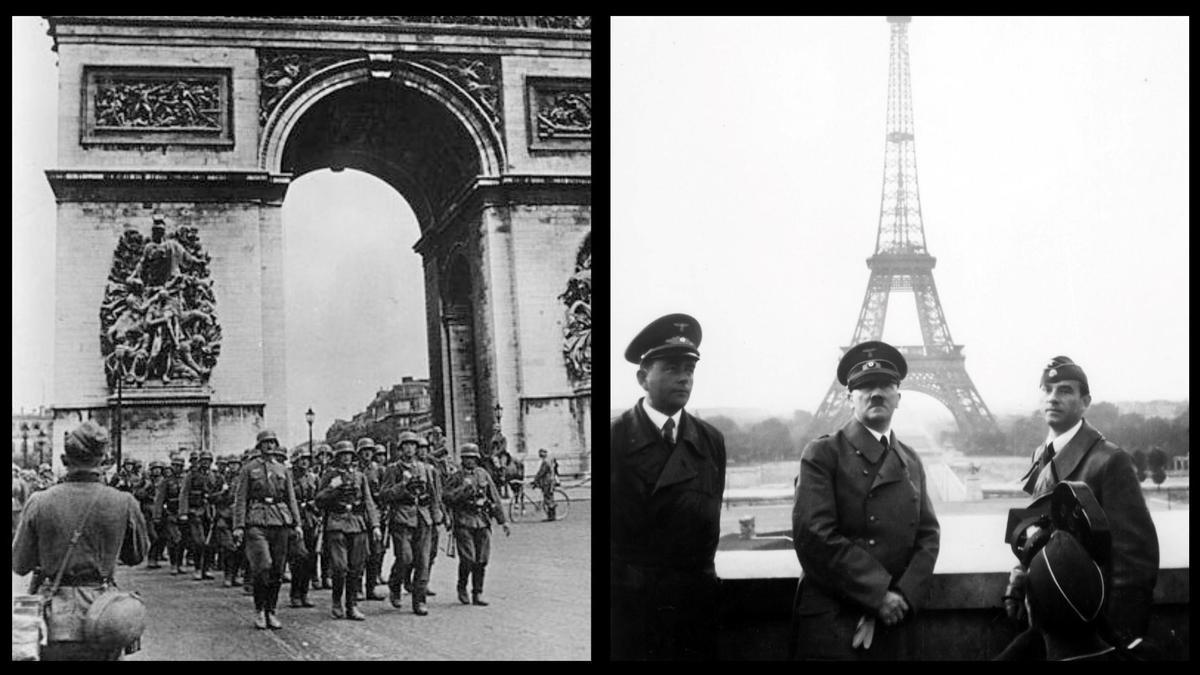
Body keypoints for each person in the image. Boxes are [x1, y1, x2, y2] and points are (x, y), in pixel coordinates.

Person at [790, 340, 940, 660]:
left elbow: (928, 536)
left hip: (895, 618)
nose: (876, 393)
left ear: (898, 397)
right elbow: (814, 535)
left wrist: (902, 595)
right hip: (836, 619)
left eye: (885, 384)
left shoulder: (911, 460)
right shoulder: (822, 454)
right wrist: (877, 593)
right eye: (865, 385)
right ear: (849, 397)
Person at [1007, 356, 1159, 648]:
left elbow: (1135, 562)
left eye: (1064, 390)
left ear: (1085, 401)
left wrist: (1116, 640)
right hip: (1048, 625)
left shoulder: (1110, 461)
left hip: (1090, 636)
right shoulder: (1043, 455)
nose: (1053, 398)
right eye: (1047, 389)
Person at [610, 313, 725, 660]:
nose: (684, 379)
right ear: (644, 377)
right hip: (635, 611)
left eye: (689, 370)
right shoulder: (614, 440)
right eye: (672, 368)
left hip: (695, 609)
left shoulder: (711, 440)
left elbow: (709, 522)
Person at [12, 420, 149, 660]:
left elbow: (20, 564)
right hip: (107, 617)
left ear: (65, 460)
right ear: (103, 461)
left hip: (54, 620)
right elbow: (136, 555)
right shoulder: (124, 502)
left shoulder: (39, 501)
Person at [232, 430, 303, 629]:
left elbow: (291, 498)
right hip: (256, 521)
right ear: (259, 446)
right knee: (263, 566)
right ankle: (259, 610)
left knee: (278, 570)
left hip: (280, 521)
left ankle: (271, 610)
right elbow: (241, 499)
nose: (270, 446)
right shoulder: (249, 469)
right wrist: (238, 526)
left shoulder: (283, 470)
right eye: (266, 443)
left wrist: (297, 523)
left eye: (273, 442)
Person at [316, 440, 381, 621]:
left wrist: (375, 525)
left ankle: (351, 605)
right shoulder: (331, 475)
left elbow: (368, 502)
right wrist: (333, 489)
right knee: (339, 567)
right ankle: (337, 601)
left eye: (349, 455)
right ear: (337, 457)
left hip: (357, 523)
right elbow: (319, 499)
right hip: (336, 523)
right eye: (342, 455)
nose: (346, 458)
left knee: (356, 567)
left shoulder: (360, 476)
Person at [380, 430, 442, 615]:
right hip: (401, 517)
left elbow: (433, 494)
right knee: (405, 558)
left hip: (423, 516)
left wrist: (436, 514)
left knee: (423, 560)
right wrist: (402, 486)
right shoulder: (393, 469)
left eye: (413, 445)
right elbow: (384, 494)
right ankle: (395, 584)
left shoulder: (426, 468)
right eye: (406, 445)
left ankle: (419, 601)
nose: (410, 448)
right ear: (400, 449)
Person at [444, 443, 510, 606]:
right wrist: (463, 489)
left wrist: (503, 521)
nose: (470, 461)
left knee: (482, 559)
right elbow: (447, 497)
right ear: (462, 460)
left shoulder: (483, 475)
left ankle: (477, 592)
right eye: (466, 458)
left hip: (482, 520)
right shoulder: (456, 476)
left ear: (477, 459)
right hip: (464, 520)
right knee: (468, 559)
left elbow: (494, 497)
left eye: (472, 458)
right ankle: (462, 587)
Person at [179, 450, 223, 581]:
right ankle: (198, 568)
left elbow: (219, 493)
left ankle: (207, 568)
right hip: (195, 511)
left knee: (211, 543)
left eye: (208, 461)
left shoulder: (216, 476)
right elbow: (184, 493)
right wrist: (183, 512)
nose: (205, 463)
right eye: (203, 460)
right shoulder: (191, 475)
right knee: (199, 542)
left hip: (210, 512)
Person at [288, 447, 320, 608]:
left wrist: (314, 506)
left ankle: (304, 593)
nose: (305, 462)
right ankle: (295, 593)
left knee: (310, 558)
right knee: (299, 557)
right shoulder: (288, 477)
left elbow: (319, 497)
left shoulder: (313, 478)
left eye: (307, 459)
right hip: (294, 521)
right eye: (302, 459)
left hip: (310, 520)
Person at [357, 437, 386, 601]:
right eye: (363, 450)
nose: (367, 453)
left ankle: (371, 587)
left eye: (369, 450)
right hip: (359, 515)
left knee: (376, 552)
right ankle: (357, 588)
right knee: (360, 552)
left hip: (376, 514)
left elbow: (385, 491)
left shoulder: (379, 470)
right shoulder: (354, 470)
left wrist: (383, 507)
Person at [153, 453, 188, 575]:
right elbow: (159, 499)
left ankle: (180, 563)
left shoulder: (186, 479)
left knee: (183, 540)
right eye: (175, 465)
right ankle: (173, 564)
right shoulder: (166, 481)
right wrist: (157, 516)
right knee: (174, 539)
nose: (177, 468)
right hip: (170, 513)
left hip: (184, 513)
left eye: (179, 466)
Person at [532, 448, 560, 521]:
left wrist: (535, 479)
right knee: (549, 497)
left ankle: (551, 516)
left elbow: (541, 472)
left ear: (544, 453)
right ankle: (551, 515)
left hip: (547, 482)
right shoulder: (548, 460)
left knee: (548, 498)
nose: (540, 455)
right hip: (549, 481)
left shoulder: (546, 462)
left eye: (541, 453)